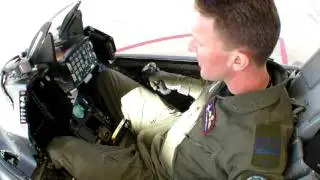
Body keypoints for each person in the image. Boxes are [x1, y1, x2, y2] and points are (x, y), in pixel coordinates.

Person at [45, 0, 294, 179]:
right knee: (103, 78)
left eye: (200, 43)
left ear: (238, 60)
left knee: (59, 147)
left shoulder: (261, 145)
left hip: (159, 171)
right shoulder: (251, 76)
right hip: (172, 128)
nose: (190, 47)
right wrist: (170, 80)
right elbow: (209, 94)